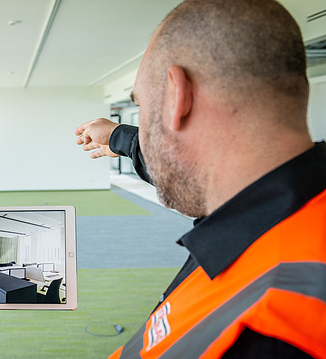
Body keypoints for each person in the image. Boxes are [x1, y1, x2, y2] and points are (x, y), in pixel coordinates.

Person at [75, 0, 326, 358]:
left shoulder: (267, 328)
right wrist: (121, 138)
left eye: (144, 106)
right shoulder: (287, 210)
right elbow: (180, 163)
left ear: (178, 97)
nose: (143, 124)